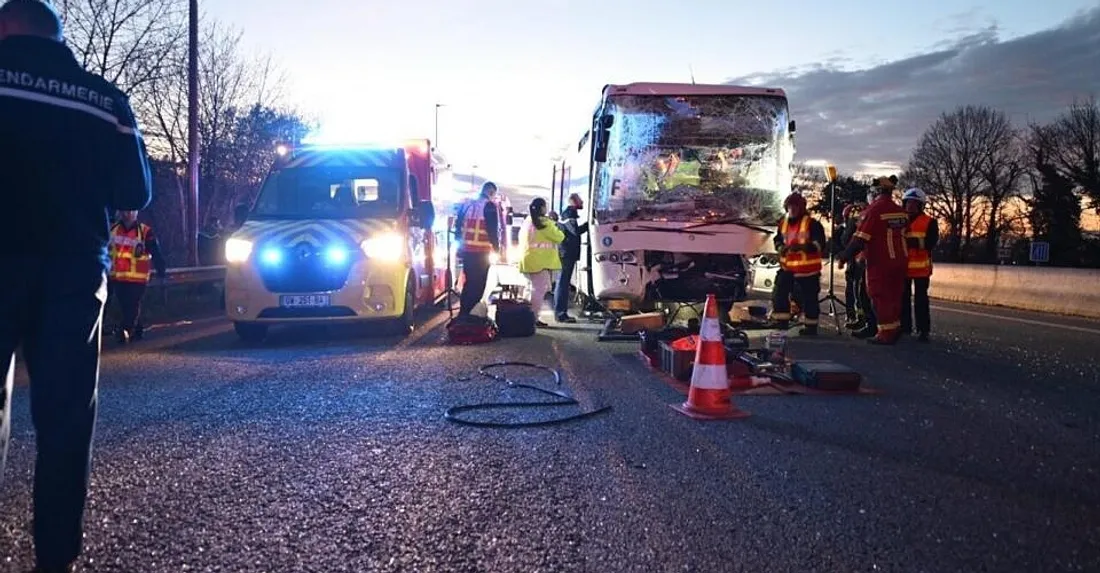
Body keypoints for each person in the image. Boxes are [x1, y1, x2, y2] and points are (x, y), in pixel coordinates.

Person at [0, 1, 153, 571]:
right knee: (65, 417)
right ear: (58, 37)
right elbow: (134, 192)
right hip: (71, 271)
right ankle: (55, 559)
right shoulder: (104, 99)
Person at [836, 175, 908, 345]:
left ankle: (886, 333)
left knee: (878, 295)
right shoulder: (901, 212)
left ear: (875, 192)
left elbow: (860, 239)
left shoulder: (873, 212)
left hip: (880, 261)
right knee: (894, 296)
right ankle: (894, 328)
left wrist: (844, 256)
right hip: (901, 261)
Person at [771, 193, 826, 335]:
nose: (792, 209)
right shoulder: (783, 223)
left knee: (809, 298)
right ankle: (781, 320)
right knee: (779, 293)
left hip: (808, 270)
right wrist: (779, 248)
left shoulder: (812, 224)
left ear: (801, 208)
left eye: (795, 206)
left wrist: (802, 248)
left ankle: (810, 326)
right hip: (787, 268)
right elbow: (777, 239)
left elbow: (819, 245)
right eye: (790, 206)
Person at [108, 210, 167, 344]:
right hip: (118, 277)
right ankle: (138, 330)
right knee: (126, 306)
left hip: (137, 279)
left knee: (132, 305)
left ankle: (125, 331)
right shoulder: (112, 230)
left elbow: (156, 253)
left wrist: (161, 271)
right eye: (125, 211)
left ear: (136, 213)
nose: (127, 214)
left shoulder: (145, 232)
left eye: (131, 211)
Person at [453, 181, 501, 317]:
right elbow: (492, 231)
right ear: (491, 192)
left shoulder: (466, 205)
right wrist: (497, 249)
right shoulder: (489, 206)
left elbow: (457, 227)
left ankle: (464, 313)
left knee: (469, 283)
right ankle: (471, 315)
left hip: (467, 251)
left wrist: (459, 247)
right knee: (479, 284)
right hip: (482, 252)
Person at [517, 198, 565, 327]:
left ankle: (525, 316)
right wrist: (555, 223)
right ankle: (533, 318)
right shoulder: (545, 223)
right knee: (539, 290)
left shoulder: (527, 222)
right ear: (542, 208)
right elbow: (559, 237)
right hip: (540, 262)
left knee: (531, 289)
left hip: (528, 260)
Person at [900, 188, 938, 342]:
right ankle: (905, 327)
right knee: (903, 299)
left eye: (914, 204)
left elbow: (931, 242)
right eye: (908, 203)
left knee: (921, 300)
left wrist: (911, 242)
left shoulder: (929, 222)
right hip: (903, 268)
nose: (910, 206)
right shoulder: (899, 220)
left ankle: (923, 330)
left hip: (921, 269)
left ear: (921, 206)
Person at [554, 193, 588, 323]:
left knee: (563, 282)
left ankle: (561, 312)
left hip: (566, 253)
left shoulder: (568, 214)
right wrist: (588, 225)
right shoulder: (568, 215)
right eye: (580, 200)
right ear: (574, 202)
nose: (582, 201)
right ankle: (561, 313)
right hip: (567, 253)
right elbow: (574, 231)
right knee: (563, 283)